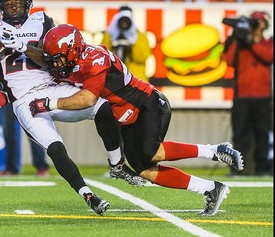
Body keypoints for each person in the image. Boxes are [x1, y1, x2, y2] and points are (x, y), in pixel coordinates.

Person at [0, 0, 144, 216]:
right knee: (55, 147)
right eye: (8, 3)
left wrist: (22, 46)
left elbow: (52, 60)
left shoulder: (42, 22)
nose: (14, 7)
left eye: (18, 2)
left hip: (53, 87)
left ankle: (116, 164)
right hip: (24, 100)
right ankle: (87, 194)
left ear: (28, 4)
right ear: (0, 6)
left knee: (104, 107)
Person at [29, 23, 245, 216]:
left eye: (58, 58)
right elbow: (41, 57)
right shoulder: (72, 60)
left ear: (73, 50)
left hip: (148, 104)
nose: (56, 64)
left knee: (152, 151)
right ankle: (210, 188)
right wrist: (14, 47)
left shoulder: (95, 59)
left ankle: (215, 150)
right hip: (127, 116)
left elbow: (88, 99)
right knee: (145, 171)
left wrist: (49, 104)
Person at [222, 11, 273, 176]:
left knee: (262, 133)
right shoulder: (241, 44)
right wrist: (236, 38)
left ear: (265, 25)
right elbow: (228, 61)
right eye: (254, 21)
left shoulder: (268, 43)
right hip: (242, 95)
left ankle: (263, 168)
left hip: (263, 96)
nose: (257, 24)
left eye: (260, 21)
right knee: (240, 134)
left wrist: (251, 42)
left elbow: (268, 57)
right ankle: (236, 169)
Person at [0, 75, 49, 176]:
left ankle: (41, 166)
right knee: (8, 132)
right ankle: (11, 168)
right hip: (6, 94)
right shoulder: (3, 60)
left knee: (33, 130)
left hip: (25, 92)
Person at [100, 6, 152, 82]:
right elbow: (102, 57)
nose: (124, 22)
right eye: (121, 18)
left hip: (136, 82)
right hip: (114, 81)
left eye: (127, 18)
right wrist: (110, 35)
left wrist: (133, 40)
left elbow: (141, 58)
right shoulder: (110, 35)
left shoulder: (140, 36)